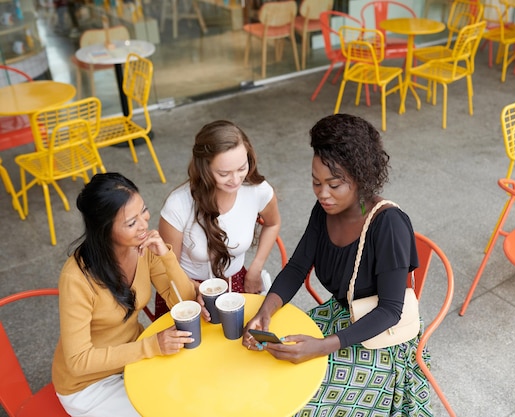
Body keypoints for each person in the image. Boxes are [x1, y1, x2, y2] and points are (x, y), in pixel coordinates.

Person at [243, 114, 432, 416]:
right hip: (340, 316)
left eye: (334, 184)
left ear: (361, 177)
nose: (322, 194)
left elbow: (390, 310)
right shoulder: (324, 211)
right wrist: (264, 313)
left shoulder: (389, 225)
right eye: (316, 182)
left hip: (382, 340)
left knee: (304, 399)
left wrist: (324, 346)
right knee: (271, 371)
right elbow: (296, 268)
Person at [52, 172, 197, 417]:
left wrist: (166, 256)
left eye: (144, 211)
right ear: (104, 230)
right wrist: (150, 347)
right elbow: (78, 362)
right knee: (170, 410)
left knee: (193, 392)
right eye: (131, 223)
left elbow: (185, 303)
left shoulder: (144, 247)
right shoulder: (76, 278)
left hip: (135, 358)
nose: (144, 224)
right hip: (90, 385)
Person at [158, 120, 280, 320]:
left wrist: (256, 268)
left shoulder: (258, 190)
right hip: (187, 290)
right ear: (204, 169)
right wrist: (193, 290)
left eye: (242, 168)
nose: (235, 180)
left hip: (237, 282)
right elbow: (165, 269)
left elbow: (273, 223)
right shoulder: (178, 205)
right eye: (224, 173)